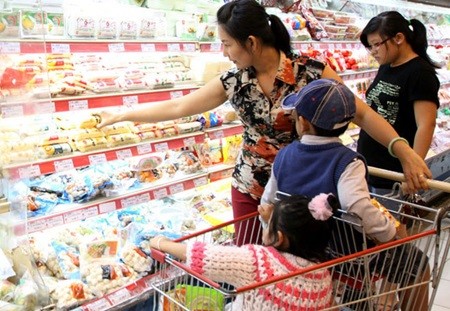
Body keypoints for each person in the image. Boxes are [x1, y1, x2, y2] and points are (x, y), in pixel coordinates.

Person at [96, 0, 431, 245]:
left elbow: (361, 112)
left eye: (227, 43)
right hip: (251, 187)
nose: (224, 52)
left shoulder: (310, 72)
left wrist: (404, 151)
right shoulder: (234, 81)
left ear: (251, 43)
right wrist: (124, 115)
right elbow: (180, 106)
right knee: (251, 262)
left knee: (300, 265)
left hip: (304, 192)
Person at [259, 78, 430, 311]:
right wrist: (390, 233)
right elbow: (357, 206)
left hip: (297, 245)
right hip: (342, 251)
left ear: (303, 123)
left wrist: (271, 235)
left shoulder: (284, 155)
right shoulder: (346, 161)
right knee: (416, 263)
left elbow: (268, 201)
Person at [150, 193, 337, 310]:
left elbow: (203, 256)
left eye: (268, 225)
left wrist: (161, 243)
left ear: (279, 238)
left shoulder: (259, 262)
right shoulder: (322, 274)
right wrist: (269, 221)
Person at [357, 11, 440, 194]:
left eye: (377, 44)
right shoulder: (387, 66)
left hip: (393, 175)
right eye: (370, 46)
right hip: (370, 167)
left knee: (391, 222)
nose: (373, 52)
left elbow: (426, 124)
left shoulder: (420, 73)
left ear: (399, 38)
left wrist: (413, 170)